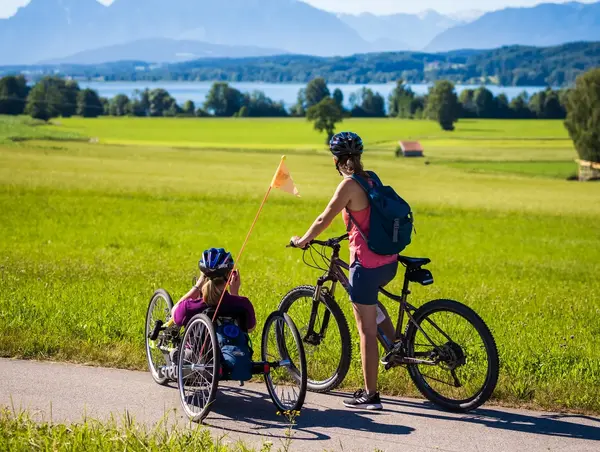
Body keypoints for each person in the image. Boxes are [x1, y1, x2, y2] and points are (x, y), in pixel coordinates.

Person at [290, 131, 399, 410]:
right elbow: (368, 217)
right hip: (388, 261)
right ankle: (397, 346)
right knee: (371, 304)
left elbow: (323, 217)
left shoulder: (347, 186)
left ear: (336, 161)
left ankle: (371, 395)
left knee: (365, 330)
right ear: (359, 158)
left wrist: (303, 240)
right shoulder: (370, 177)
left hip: (366, 266)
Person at [171, 248, 256, 332]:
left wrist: (198, 285)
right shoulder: (243, 304)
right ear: (229, 275)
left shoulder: (189, 307)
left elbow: (174, 314)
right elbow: (250, 328)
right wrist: (235, 293)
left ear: (203, 276)